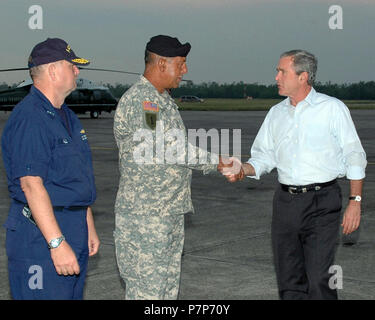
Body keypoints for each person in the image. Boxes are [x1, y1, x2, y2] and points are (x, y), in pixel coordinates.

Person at [223, 50, 366, 300]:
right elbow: (264, 156)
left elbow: (354, 154)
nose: (276, 76)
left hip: (322, 201)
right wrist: (243, 169)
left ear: (303, 77)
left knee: (319, 278)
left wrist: (355, 202)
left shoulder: (332, 109)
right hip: (286, 203)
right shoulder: (276, 113)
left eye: (282, 71)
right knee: (289, 280)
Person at [113, 35, 238, 300]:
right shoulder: (142, 101)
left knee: (166, 292)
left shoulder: (162, 101)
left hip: (166, 212)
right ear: (160, 64)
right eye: (180, 64)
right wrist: (219, 162)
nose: (185, 70)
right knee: (147, 293)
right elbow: (170, 148)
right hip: (145, 218)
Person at [1, 38, 100, 300]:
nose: (77, 71)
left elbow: (75, 176)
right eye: (72, 66)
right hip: (40, 237)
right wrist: (56, 243)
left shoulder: (66, 115)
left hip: (72, 226)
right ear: (53, 70)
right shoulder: (30, 117)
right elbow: (31, 185)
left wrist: (86, 221)